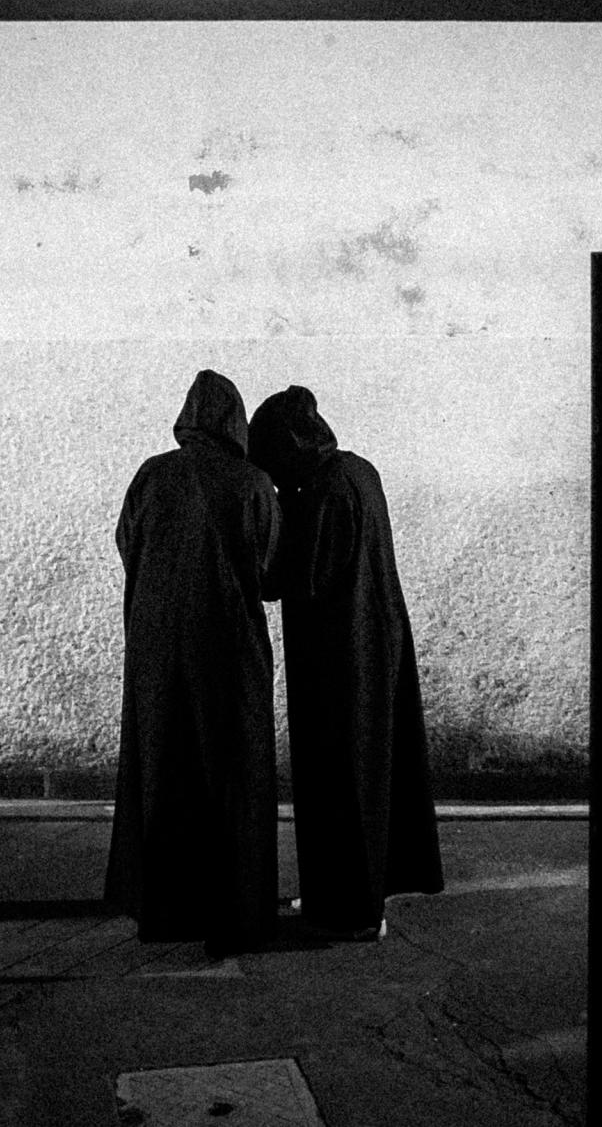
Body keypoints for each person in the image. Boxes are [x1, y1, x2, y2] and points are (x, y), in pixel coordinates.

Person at [248, 386, 443, 939]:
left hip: (339, 657)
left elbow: (301, 577)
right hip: (373, 643)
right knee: (370, 772)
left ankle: (352, 911)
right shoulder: (358, 471)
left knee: (341, 777)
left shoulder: (325, 491)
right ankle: (351, 896)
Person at [105, 369, 282, 955]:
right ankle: (237, 916)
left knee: (165, 766)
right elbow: (270, 572)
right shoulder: (253, 483)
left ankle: (167, 911)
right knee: (234, 773)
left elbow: (126, 543)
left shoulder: (152, 475)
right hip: (229, 650)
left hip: (157, 648)